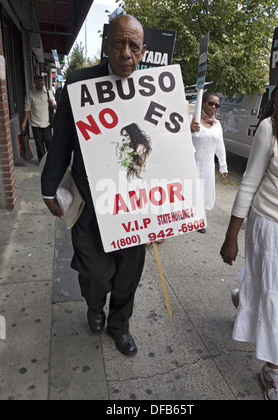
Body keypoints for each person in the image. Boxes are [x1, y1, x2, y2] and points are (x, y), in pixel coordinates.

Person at [41, 15, 147, 356]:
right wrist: (48, 187)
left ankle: (119, 325)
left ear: (143, 52)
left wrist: (168, 214)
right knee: (96, 275)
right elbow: (61, 144)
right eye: (119, 43)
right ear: (106, 46)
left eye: (133, 46)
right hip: (89, 205)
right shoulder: (78, 84)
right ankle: (93, 304)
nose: (126, 53)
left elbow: (167, 153)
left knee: (127, 276)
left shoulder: (154, 89)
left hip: (134, 207)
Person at [220, 45, 278, 400]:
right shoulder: (274, 126)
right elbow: (248, 183)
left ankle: (246, 295)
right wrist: (231, 237)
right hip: (273, 226)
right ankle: (273, 371)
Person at [191, 93, 228, 232]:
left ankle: (199, 220)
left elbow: (220, 146)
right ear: (203, 103)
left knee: (204, 192)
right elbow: (182, 138)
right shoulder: (193, 119)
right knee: (191, 190)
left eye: (216, 105)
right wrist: (190, 130)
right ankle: (186, 219)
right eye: (210, 103)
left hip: (207, 165)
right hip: (193, 163)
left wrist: (223, 166)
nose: (213, 107)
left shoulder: (217, 125)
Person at [22, 75, 56, 162]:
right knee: (39, 144)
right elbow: (27, 109)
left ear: (44, 82)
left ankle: (51, 159)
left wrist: (52, 103)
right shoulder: (30, 94)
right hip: (35, 123)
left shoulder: (48, 93)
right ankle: (42, 161)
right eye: (38, 81)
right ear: (35, 83)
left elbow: (55, 107)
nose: (40, 83)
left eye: (42, 81)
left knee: (49, 141)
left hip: (47, 122)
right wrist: (24, 122)